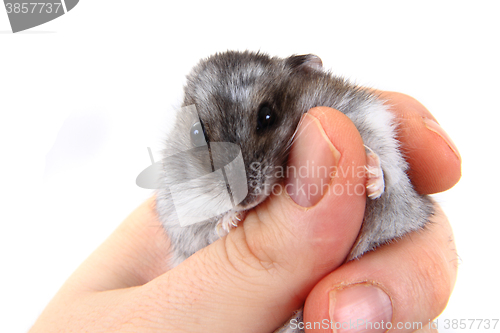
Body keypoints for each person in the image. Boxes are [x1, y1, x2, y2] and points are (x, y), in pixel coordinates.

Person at [29, 92, 461, 333]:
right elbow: (182, 246)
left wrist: (378, 175)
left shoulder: (337, 116)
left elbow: (404, 211)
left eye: (266, 119)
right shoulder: (182, 193)